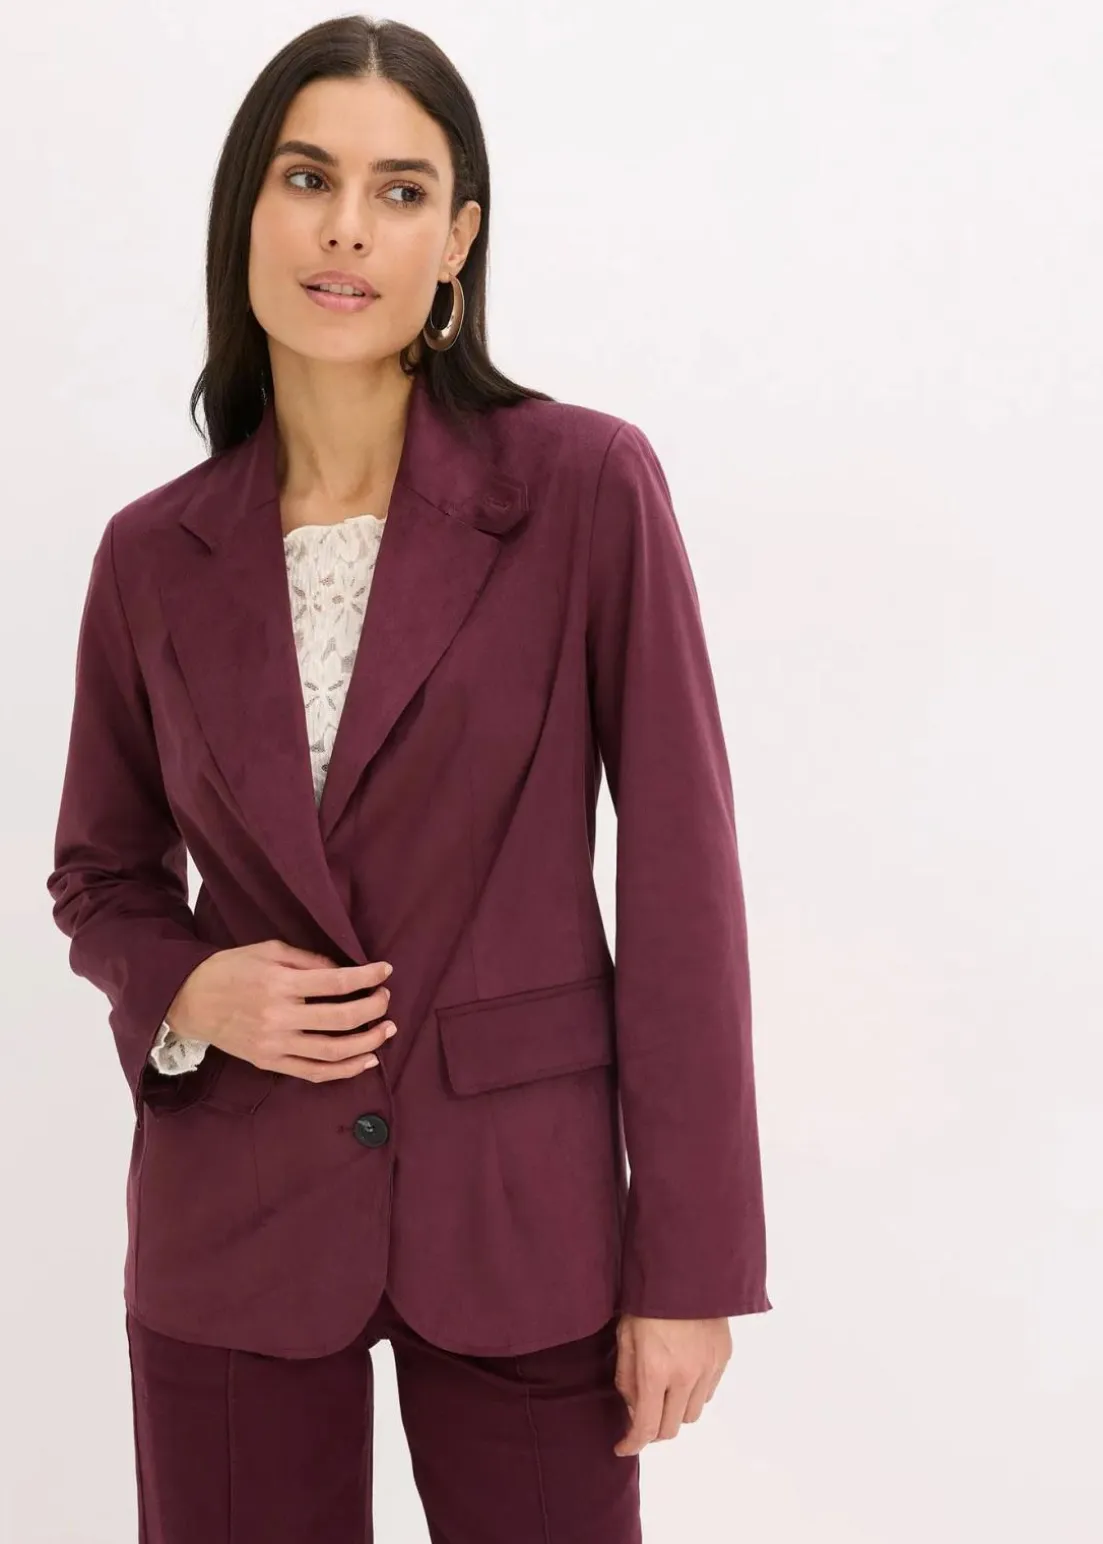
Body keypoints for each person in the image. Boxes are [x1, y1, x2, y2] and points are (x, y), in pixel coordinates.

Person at [46, 15, 771, 1544]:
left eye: (399, 191)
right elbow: (100, 876)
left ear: (457, 241)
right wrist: (188, 989)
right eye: (309, 179)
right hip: (233, 1216)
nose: (346, 230)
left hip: (520, 1214)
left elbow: (682, 885)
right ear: (247, 211)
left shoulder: (583, 488)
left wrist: (691, 1266)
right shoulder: (150, 555)